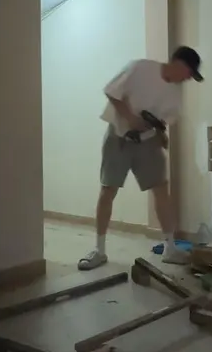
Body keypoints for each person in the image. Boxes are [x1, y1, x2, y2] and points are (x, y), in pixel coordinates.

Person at [79, 46, 203, 270]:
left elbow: (162, 120)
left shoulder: (175, 92)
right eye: (189, 73)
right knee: (108, 189)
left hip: (148, 141)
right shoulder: (140, 68)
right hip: (119, 135)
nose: (187, 79)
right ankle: (99, 250)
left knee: (161, 189)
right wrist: (130, 118)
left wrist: (161, 135)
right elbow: (111, 92)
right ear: (179, 64)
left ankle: (170, 248)